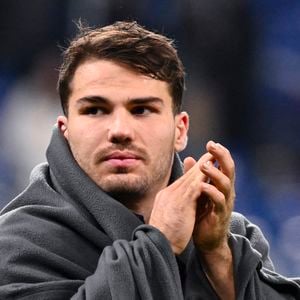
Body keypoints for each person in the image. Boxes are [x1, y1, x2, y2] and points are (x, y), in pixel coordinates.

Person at [0, 21, 299, 300]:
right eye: (95, 110)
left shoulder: (232, 240)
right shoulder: (18, 244)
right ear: (66, 131)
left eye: (142, 110)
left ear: (180, 130)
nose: (119, 130)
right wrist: (161, 243)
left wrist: (219, 261)